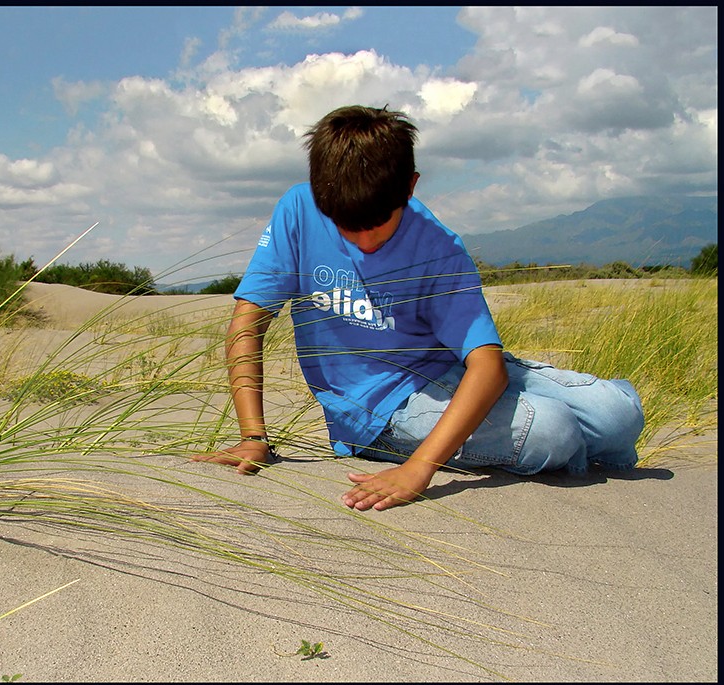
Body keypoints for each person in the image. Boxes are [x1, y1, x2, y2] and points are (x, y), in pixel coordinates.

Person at [192, 105, 645, 511]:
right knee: (554, 431)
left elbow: (486, 365)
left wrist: (421, 466)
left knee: (619, 415)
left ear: (409, 186)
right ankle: (567, 450)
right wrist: (254, 437)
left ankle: (571, 447)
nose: (364, 241)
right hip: (377, 411)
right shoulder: (298, 210)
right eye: (347, 227)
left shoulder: (438, 243)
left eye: (378, 224)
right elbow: (246, 326)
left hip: (449, 372)